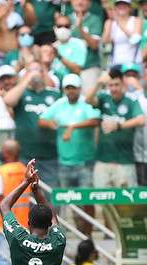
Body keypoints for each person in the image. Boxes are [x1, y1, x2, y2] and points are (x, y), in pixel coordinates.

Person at [38, 73, 100, 216]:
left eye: (74, 88)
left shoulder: (85, 103)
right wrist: (50, 123)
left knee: (86, 200)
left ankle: (87, 234)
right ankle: (61, 233)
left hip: (85, 162)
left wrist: (73, 127)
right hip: (64, 161)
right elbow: (42, 120)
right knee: (63, 200)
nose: (70, 91)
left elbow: (95, 121)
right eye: (68, 88)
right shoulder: (59, 104)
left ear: (79, 89)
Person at [3, 61, 61, 188]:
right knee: (25, 193)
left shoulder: (54, 94)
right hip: (25, 155)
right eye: (30, 70)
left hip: (50, 156)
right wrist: (27, 78)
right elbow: (8, 100)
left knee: (49, 195)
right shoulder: (22, 94)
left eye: (38, 70)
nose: (35, 74)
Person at [85, 69, 145, 187]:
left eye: (116, 85)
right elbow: (88, 100)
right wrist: (98, 83)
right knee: (100, 201)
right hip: (103, 160)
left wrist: (119, 125)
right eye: (111, 85)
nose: (113, 89)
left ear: (123, 84)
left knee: (127, 202)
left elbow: (141, 120)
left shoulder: (131, 100)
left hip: (124, 161)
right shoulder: (104, 98)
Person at [70, 0, 104, 95]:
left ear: (90, 3)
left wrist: (80, 28)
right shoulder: (66, 19)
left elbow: (94, 45)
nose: (80, 2)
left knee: (90, 100)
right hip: (69, 68)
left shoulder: (95, 20)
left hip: (89, 67)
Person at [103, 0, 143, 67]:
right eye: (119, 5)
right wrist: (109, 24)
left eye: (125, 5)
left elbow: (136, 39)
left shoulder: (136, 20)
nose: (121, 7)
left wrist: (118, 22)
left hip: (133, 62)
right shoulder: (110, 23)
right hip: (115, 62)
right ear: (115, 8)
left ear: (130, 7)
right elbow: (105, 42)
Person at [52, 14, 88, 82]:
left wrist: (59, 56)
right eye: (59, 26)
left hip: (73, 83)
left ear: (71, 28)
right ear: (54, 28)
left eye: (66, 26)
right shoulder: (53, 46)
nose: (63, 29)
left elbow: (78, 70)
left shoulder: (79, 44)